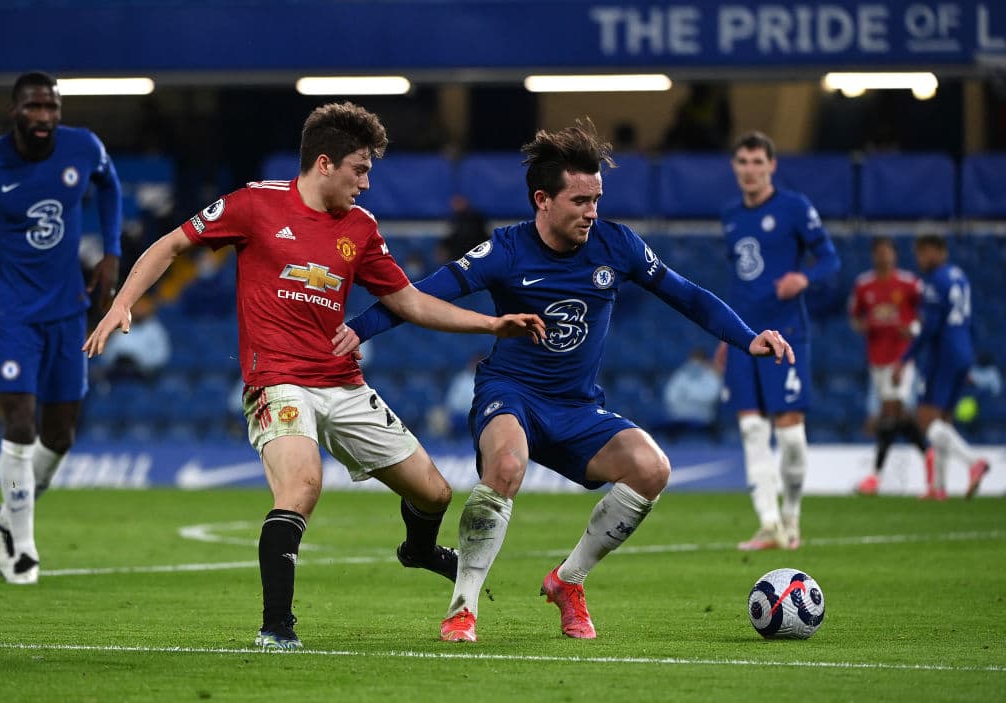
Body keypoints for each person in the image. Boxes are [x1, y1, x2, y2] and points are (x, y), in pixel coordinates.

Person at [82, 102, 545, 650]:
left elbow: (411, 303)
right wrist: (121, 303)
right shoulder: (255, 203)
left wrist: (492, 322)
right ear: (324, 163)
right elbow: (172, 243)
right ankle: (277, 627)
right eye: (360, 169)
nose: (368, 183)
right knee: (302, 485)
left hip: (343, 383)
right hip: (276, 379)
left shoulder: (360, 228)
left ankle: (418, 550)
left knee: (436, 494)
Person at [336, 118, 794, 642]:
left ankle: (568, 581)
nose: (592, 212)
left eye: (596, 199)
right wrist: (359, 328)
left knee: (652, 469)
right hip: (511, 393)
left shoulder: (616, 245)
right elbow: (422, 293)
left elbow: (687, 294)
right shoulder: (505, 251)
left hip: (577, 406)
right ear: (542, 200)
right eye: (580, 201)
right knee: (506, 466)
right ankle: (463, 607)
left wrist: (747, 337)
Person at [0, 71, 122, 585]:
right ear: (14, 111)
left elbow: (110, 185)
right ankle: (22, 547)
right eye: (33, 108)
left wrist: (110, 252)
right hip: (11, 311)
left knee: (60, 434)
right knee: (19, 424)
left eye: (51, 108)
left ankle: (4, 517)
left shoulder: (82, 147)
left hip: (68, 309)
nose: (44, 118)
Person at [718, 131, 840, 552]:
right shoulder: (730, 215)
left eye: (757, 162)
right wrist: (727, 334)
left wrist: (804, 277)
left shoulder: (794, 207)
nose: (750, 170)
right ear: (734, 168)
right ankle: (769, 525)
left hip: (787, 334)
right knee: (752, 431)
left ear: (772, 166)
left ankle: (791, 516)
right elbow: (737, 282)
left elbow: (830, 258)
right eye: (742, 162)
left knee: (789, 438)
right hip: (746, 339)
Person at [893, 234, 990, 500]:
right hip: (962, 353)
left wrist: (905, 358)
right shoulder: (960, 276)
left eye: (922, 253)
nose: (919, 259)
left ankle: (973, 462)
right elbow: (968, 321)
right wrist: (967, 359)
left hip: (943, 354)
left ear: (937, 251)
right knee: (944, 420)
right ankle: (938, 487)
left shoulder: (935, 282)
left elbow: (931, 328)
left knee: (926, 419)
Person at [848, 236, 929, 494]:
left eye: (887, 252)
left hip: (902, 358)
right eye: (879, 252)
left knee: (891, 412)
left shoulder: (909, 283)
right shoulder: (864, 285)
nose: (884, 257)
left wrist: (914, 329)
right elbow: (854, 317)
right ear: (874, 256)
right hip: (877, 358)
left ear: (894, 255)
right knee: (896, 416)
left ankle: (875, 476)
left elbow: (928, 314)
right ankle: (929, 454)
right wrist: (863, 326)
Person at [661, 347, 723, 437]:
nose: (695, 364)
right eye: (693, 360)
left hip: (703, 417)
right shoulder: (680, 375)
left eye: (699, 360)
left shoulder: (711, 376)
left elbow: (711, 396)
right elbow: (670, 396)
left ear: (705, 361)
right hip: (679, 415)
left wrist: (688, 395)